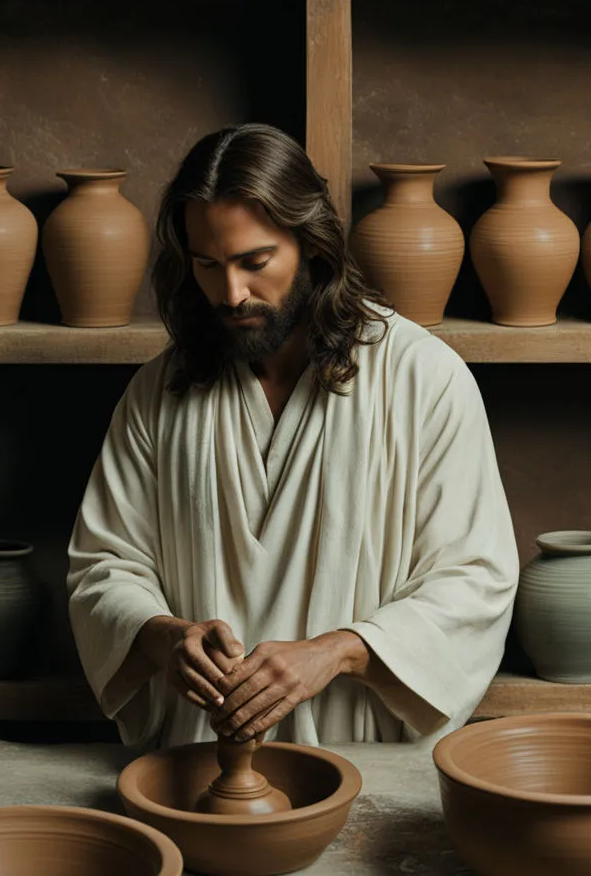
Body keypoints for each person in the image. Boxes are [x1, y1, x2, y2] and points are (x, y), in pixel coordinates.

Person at [66, 122, 519, 750]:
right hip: (197, 763)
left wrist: (340, 652)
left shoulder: (424, 380)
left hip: (362, 762)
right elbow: (103, 565)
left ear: (310, 243)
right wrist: (160, 635)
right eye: (207, 265)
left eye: (255, 262)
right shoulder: (160, 391)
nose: (231, 293)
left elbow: (476, 578)